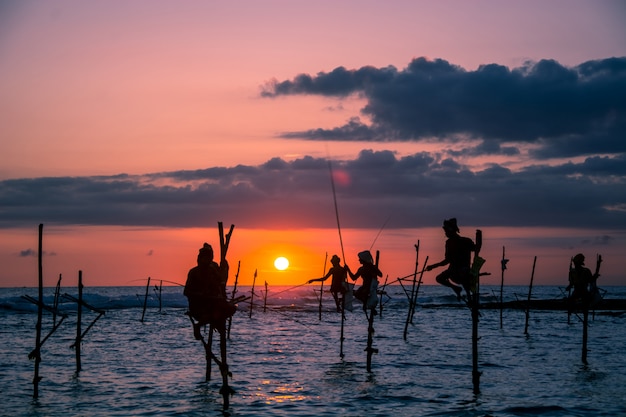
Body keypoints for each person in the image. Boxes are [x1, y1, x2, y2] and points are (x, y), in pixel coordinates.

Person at [184, 243, 236, 340]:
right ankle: (199, 326)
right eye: (205, 258)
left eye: (209, 258)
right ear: (200, 259)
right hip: (198, 306)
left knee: (230, 308)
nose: (207, 261)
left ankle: (217, 322)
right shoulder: (194, 272)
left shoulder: (212, 271)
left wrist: (224, 269)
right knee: (211, 314)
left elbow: (221, 282)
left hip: (212, 304)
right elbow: (186, 292)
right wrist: (200, 295)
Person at [426, 218, 482, 301]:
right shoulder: (449, 243)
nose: (445, 233)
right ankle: (456, 288)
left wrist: (479, 237)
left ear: (451, 230)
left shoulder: (465, 241)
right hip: (453, 270)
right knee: (439, 278)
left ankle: (468, 295)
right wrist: (433, 266)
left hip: (464, 269)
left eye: (446, 231)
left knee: (463, 274)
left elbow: (476, 249)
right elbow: (447, 260)